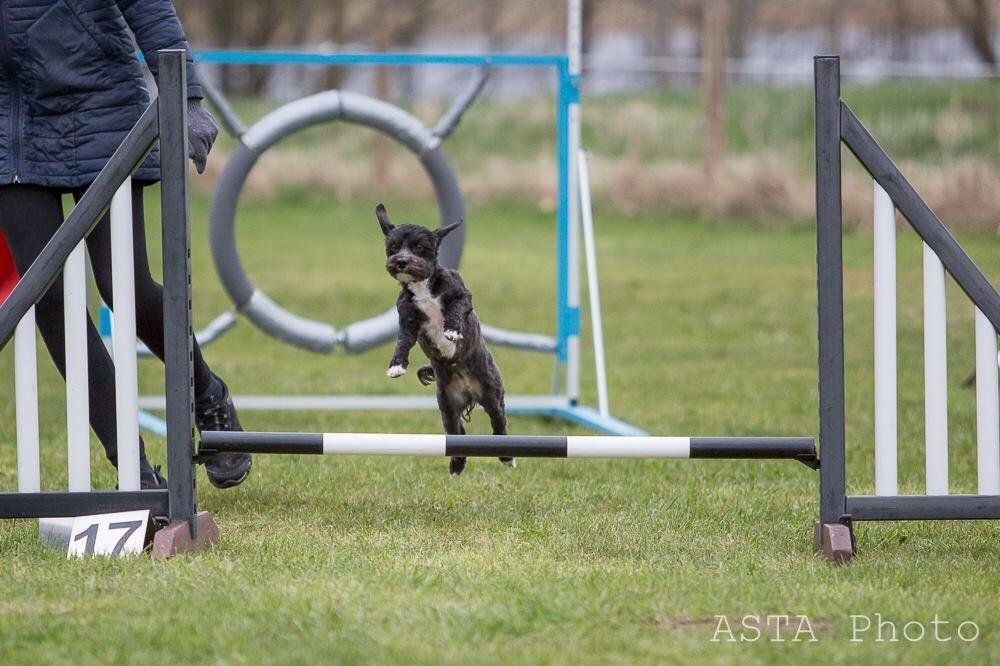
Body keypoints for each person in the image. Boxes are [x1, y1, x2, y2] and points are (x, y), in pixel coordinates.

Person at [0, 1, 251, 489]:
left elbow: (148, 6)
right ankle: (132, 469)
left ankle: (208, 396)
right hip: (11, 127)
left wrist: (189, 99)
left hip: (100, 110)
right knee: (47, 300)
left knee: (125, 288)